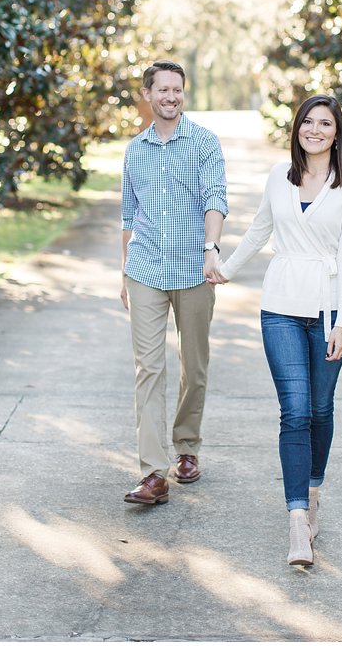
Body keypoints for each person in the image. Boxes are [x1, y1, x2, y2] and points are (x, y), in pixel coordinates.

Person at [208, 94, 342, 566]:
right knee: (294, 411)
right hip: (280, 304)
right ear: (297, 128)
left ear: (337, 133)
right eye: (307, 122)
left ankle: (313, 492)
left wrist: (341, 320)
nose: (314, 130)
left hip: (328, 309)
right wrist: (227, 268)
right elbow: (260, 230)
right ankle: (297, 521)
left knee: (320, 409)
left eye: (325, 124)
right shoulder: (279, 175)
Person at [120, 60, 228, 505]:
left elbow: (215, 199)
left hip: (193, 271)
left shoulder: (203, 142)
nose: (170, 96)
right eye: (162, 89)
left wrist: (211, 249)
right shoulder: (135, 150)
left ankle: (187, 446)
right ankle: (153, 474)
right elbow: (128, 214)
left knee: (193, 363)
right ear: (147, 95)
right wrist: (123, 271)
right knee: (149, 368)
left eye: (177, 90)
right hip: (144, 268)